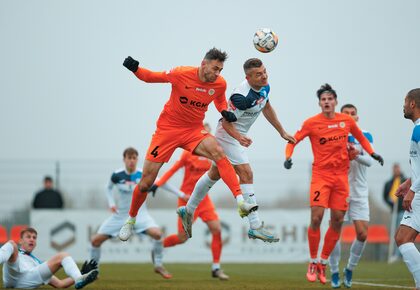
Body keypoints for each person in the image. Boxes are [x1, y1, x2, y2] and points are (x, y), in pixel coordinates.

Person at [119, 48, 257, 242]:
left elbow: (219, 101)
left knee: (219, 152)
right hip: (168, 130)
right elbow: (151, 77)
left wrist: (224, 111)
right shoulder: (181, 73)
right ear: (204, 64)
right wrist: (136, 69)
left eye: (221, 70)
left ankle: (240, 201)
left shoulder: (219, 83)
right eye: (215, 68)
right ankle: (131, 219)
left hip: (193, 130)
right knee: (146, 183)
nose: (218, 73)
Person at [178, 58, 295, 241]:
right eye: (258, 74)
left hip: (237, 136)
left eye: (264, 71)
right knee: (246, 173)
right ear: (248, 77)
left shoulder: (265, 86)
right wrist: (239, 137)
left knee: (214, 174)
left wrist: (282, 132)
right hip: (227, 135)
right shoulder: (240, 98)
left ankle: (188, 209)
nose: (264, 76)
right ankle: (255, 225)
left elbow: (267, 107)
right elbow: (225, 122)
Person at [284, 84, 383, 285]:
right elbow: (293, 140)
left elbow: (362, 138)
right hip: (321, 176)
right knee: (317, 217)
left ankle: (323, 262)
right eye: (323, 99)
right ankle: (312, 261)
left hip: (340, 178)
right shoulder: (311, 123)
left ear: (335, 101)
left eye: (330, 99)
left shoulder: (345, 121)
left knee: (337, 220)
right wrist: (288, 156)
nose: (327, 102)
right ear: (319, 103)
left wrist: (372, 153)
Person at [150, 123, 229, 280]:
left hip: (204, 200)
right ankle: (158, 247)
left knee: (217, 229)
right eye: (204, 132)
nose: (207, 136)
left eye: (209, 133)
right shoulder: (188, 154)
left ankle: (216, 268)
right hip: (186, 200)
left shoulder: (212, 155)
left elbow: (224, 169)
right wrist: (158, 184)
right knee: (182, 238)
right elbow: (173, 169)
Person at [89, 147, 171, 279]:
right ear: (124, 159)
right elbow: (108, 188)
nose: (132, 161)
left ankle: (158, 264)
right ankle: (94, 271)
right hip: (120, 216)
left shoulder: (143, 174)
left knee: (158, 234)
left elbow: (163, 183)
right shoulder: (117, 175)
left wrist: (182, 195)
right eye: (129, 158)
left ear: (137, 160)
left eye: (134, 158)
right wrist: (111, 203)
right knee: (95, 241)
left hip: (141, 215)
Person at [328, 104, 375, 288]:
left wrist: (355, 155)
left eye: (352, 113)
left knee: (362, 234)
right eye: (345, 113)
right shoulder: (333, 134)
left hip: (360, 192)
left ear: (357, 117)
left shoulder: (365, 135)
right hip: (339, 191)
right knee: (334, 233)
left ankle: (349, 268)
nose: (349, 116)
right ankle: (333, 272)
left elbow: (370, 160)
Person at [0, 227, 98, 289]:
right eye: (28, 237)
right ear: (21, 241)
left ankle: (78, 278)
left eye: (34, 237)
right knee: (11, 244)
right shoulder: (14, 254)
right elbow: (12, 251)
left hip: (28, 280)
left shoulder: (37, 262)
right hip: (12, 276)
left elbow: (60, 284)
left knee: (62, 256)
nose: (32, 239)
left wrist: (81, 273)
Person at [394, 88, 420, 290]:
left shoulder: (419, 129)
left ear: (412, 104)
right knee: (404, 237)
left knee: (403, 238)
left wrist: (413, 190)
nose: (403, 105)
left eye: (405, 101)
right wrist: (408, 183)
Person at [384, 163, 406, 262]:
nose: (396, 170)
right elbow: (385, 196)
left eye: (397, 168)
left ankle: (398, 255)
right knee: (394, 232)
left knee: (401, 233)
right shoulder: (389, 183)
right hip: (394, 211)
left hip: (403, 211)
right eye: (394, 169)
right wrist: (391, 204)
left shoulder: (405, 181)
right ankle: (394, 254)